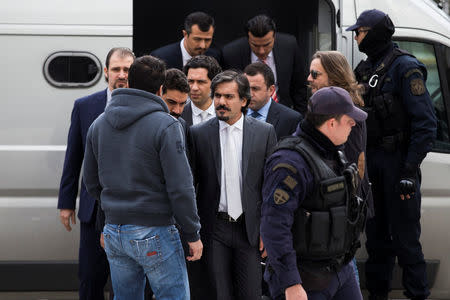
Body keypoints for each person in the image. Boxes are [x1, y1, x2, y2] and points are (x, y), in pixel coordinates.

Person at [83, 55, 202, 300]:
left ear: (129, 81)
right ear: (160, 89)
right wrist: (192, 233)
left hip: (114, 230)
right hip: (155, 228)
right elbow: (181, 187)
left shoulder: (98, 124)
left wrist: (114, 206)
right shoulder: (167, 125)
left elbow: (91, 182)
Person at [347, 9, 437, 300]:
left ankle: (417, 295)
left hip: (399, 164)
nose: (356, 37)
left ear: (373, 33)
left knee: (407, 243)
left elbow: (425, 125)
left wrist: (409, 170)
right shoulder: (365, 68)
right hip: (373, 164)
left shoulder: (406, 68)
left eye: (359, 31)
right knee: (376, 243)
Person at [261, 87, 368, 300]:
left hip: (339, 272)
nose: (353, 124)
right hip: (305, 280)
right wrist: (291, 283)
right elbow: (274, 226)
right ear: (331, 123)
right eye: (349, 120)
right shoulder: (290, 163)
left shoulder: (331, 152)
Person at [189, 70, 277, 299]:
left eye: (228, 97)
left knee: (250, 293)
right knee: (219, 293)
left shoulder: (264, 133)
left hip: (249, 228)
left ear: (244, 101)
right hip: (214, 228)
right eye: (217, 96)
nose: (221, 102)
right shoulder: (198, 134)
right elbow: (191, 185)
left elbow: (271, 186)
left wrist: (268, 230)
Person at [57, 47, 134, 300]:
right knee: (90, 278)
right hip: (93, 210)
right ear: (105, 72)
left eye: (127, 69)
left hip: (132, 210)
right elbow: (73, 157)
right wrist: (66, 203)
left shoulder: (145, 106)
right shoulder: (84, 106)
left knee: (127, 282)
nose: (122, 74)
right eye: (116, 69)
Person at [304, 50, 375, 283]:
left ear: (333, 77)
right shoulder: (326, 107)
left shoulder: (347, 112)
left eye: (315, 74)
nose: (309, 78)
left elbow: (354, 166)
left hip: (342, 209)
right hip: (333, 208)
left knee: (343, 270)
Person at [222, 14, 307, 114]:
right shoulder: (231, 53)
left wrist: (299, 118)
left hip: (283, 114)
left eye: (266, 45)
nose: (261, 51)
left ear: (274, 37)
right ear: (248, 38)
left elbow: (299, 87)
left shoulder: (289, 46)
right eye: (255, 45)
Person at [244, 62, 302, 140]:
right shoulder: (235, 113)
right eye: (246, 88)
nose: (250, 94)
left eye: (255, 89)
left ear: (271, 90)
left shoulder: (291, 119)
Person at [151, 11, 222, 70]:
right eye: (197, 39)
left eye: (207, 40)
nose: (202, 46)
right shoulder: (161, 58)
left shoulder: (215, 56)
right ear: (185, 34)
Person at [181, 55, 222, 126]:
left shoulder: (228, 114)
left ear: (215, 83)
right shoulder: (178, 115)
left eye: (200, 82)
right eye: (190, 81)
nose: (194, 88)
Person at [161, 68, 190, 137]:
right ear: (159, 93)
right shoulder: (146, 123)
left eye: (182, 104)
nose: (177, 111)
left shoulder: (183, 125)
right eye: (171, 102)